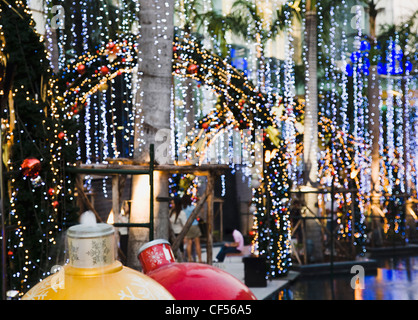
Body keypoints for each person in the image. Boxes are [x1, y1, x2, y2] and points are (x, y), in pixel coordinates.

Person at [183, 194, 202, 263]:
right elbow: (197, 216)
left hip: (187, 226)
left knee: (189, 243)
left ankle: (190, 259)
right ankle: (200, 259)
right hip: (194, 225)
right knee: (197, 244)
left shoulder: (183, 208)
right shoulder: (192, 207)